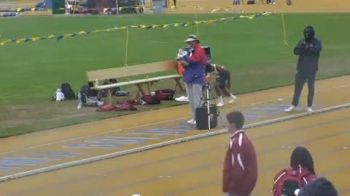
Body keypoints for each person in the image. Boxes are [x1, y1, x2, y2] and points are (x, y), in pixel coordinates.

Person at [285, 26, 322, 113]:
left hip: (311, 69)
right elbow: (296, 51)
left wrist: (307, 47)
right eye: (305, 33)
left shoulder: (317, 42)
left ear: (311, 34)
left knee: (310, 88)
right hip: (301, 69)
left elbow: (316, 51)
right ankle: (293, 105)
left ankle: (309, 106)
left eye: (307, 33)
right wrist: (302, 47)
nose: (306, 35)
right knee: (297, 88)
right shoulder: (302, 41)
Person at [223, 111, 258, 196]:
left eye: (227, 123)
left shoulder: (238, 143)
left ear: (233, 125)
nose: (226, 125)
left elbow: (238, 168)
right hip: (239, 189)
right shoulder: (238, 139)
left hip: (237, 191)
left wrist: (233, 187)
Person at [177, 35, 207, 125]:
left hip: (197, 77)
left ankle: (200, 118)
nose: (188, 44)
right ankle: (194, 117)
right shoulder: (189, 50)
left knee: (197, 98)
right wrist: (181, 60)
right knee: (191, 99)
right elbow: (186, 64)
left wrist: (185, 57)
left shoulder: (200, 50)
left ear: (195, 41)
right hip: (189, 76)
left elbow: (194, 60)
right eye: (188, 42)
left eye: (190, 42)